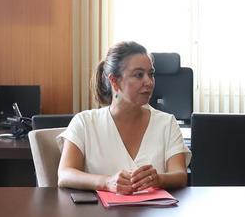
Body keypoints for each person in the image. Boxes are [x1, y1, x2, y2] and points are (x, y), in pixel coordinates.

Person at [57, 41, 190, 193]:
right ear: (114, 81)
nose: (149, 82)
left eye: (151, 74)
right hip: (97, 215)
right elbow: (65, 174)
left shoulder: (167, 122)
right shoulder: (84, 122)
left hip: (155, 215)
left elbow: (180, 175)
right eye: (139, 75)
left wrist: (158, 179)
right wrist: (106, 182)